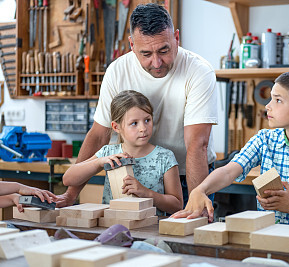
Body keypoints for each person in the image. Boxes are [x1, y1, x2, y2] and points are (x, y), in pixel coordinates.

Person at [56, 3, 218, 208]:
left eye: (164, 50)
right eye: (146, 54)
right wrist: (71, 196)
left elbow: (197, 144)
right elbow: (99, 135)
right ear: (132, 45)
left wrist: (195, 207)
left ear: (176, 38)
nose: (157, 62)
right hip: (128, 172)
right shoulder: (117, 71)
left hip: (187, 176)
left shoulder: (198, 71)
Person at [173, 70, 289, 230]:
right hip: (268, 235)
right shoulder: (264, 139)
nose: (268, 106)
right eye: (271, 98)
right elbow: (228, 171)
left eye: (278, 100)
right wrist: (200, 189)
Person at [63, 90, 183, 214]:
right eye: (134, 123)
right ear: (116, 127)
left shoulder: (165, 157)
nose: (143, 128)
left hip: (150, 230)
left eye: (147, 120)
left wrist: (146, 193)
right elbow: (68, 179)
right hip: (112, 227)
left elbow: (177, 205)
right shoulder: (108, 153)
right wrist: (99, 162)